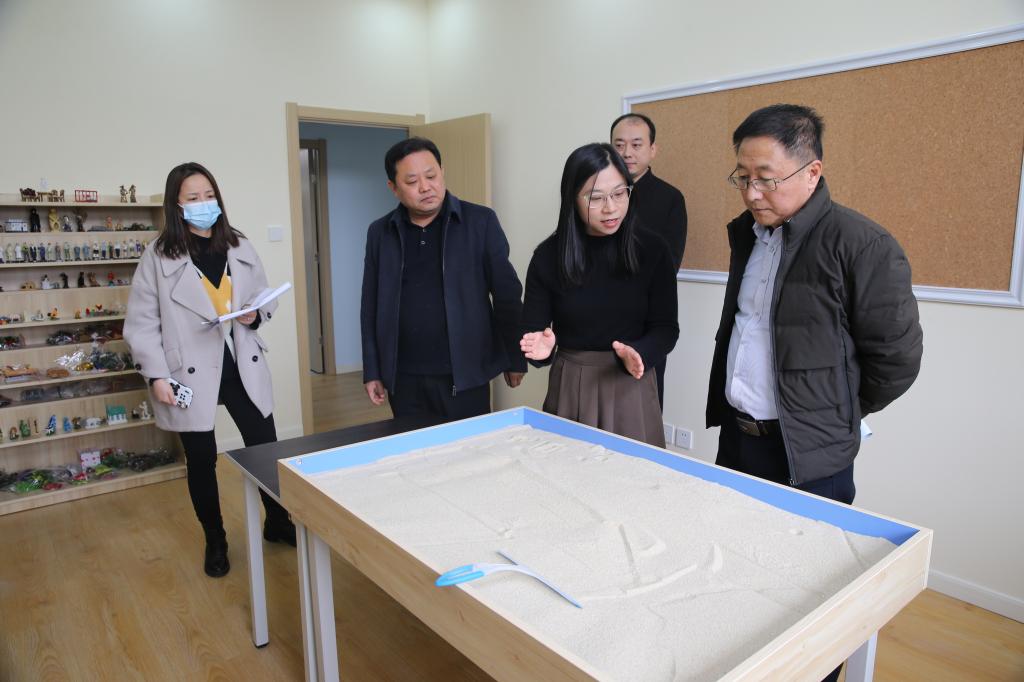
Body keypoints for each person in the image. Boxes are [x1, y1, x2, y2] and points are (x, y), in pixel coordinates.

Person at [706, 104, 923, 682]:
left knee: (808, 599)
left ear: (812, 171)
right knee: (739, 579)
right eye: (742, 176)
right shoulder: (750, 236)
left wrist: (831, 412)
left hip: (810, 455)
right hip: (739, 439)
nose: (752, 192)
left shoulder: (862, 244)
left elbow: (897, 360)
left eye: (766, 178)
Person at [125, 162, 295, 579]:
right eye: (193, 198)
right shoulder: (158, 256)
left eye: (209, 195)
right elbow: (142, 324)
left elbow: (263, 295)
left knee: (264, 447)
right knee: (201, 460)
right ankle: (215, 539)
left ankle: (277, 520)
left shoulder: (238, 244)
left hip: (241, 361)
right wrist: (157, 376)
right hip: (188, 370)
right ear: (176, 205)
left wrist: (255, 314)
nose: (204, 204)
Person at [520, 143, 679, 447]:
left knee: (633, 473)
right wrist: (542, 349)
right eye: (595, 198)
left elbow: (666, 328)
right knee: (566, 470)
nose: (611, 208)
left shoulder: (652, 250)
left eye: (620, 194)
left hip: (630, 384)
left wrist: (640, 352)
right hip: (571, 385)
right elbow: (533, 330)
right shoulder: (548, 256)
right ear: (572, 198)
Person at [360, 137, 526, 420]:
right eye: (412, 181)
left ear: (442, 172)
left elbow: (506, 294)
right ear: (393, 187)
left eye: (431, 175)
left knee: (470, 447)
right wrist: (373, 369)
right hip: (404, 376)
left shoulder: (480, 221)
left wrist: (515, 356)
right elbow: (370, 305)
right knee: (413, 446)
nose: (425, 187)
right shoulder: (380, 232)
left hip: (466, 373)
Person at [611, 112, 687, 407]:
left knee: (642, 409)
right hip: (595, 323)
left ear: (652, 149)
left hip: (645, 325)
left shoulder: (670, 198)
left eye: (636, 144)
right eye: (619, 145)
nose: (627, 153)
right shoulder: (594, 193)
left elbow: (669, 265)